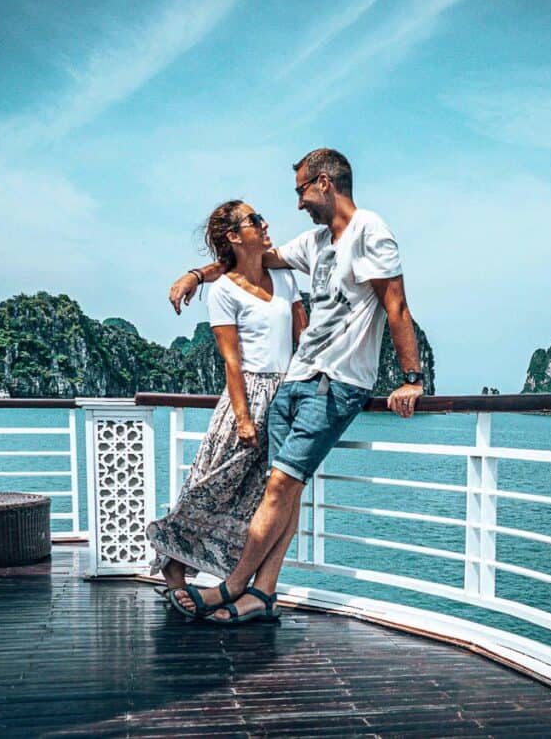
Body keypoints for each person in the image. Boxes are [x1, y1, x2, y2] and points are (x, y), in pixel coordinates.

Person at [166, 148, 425, 625]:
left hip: (336, 384)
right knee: (284, 489)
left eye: (302, 190)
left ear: (324, 183)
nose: (299, 203)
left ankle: (233, 585)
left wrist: (412, 379)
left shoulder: (371, 232)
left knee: (281, 485)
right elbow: (247, 259)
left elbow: (397, 307)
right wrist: (196, 274)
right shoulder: (314, 243)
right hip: (296, 381)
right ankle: (263, 594)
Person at [147, 199, 307, 622]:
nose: (265, 222)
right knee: (210, 485)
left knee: (269, 496)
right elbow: (231, 361)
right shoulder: (223, 291)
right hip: (247, 398)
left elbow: (303, 337)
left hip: (286, 395)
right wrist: (243, 417)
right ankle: (175, 568)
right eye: (255, 220)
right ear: (235, 236)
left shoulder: (285, 277)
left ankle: (254, 590)